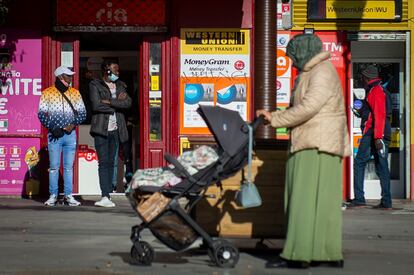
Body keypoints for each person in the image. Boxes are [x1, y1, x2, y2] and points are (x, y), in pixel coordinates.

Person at [256, 34, 350, 268]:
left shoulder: (320, 72)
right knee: (323, 202)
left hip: (313, 143)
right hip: (322, 142)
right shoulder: (318, 71)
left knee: (302, 199)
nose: (292, 61)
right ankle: (325, 252)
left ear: (304, 51)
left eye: (293, 55)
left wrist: (274, 119)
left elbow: (308, 107)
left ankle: (298, 255)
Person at [38, 66, 87, 206]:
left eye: (71, 76)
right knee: (54, 167)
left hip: (70, 135)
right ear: (60, 77)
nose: (71, 78)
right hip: (54, 136)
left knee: (68, 167)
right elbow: (41, 114)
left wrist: (72, 125)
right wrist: (52, 128)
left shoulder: (75, 93)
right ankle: (53, 195)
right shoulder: (47, 93)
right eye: (68, 76)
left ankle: (68, 195)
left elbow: (83, 113)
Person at [349, 65, 392, 210]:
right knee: (381, 165)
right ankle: (386, 201)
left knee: (361, 162)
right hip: (376, 133)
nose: (361, 79)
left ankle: (360, 199)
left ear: (367, 77)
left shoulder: (376, 91)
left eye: (363, 76)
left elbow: (379, 115)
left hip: (374, 134)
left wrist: (377, 137)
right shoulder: (377, 90)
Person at [89, 60, 131, 207]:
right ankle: (105, 196)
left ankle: (108, 194)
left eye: (118, 70)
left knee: (111, 162)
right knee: (104, 163)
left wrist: (109, 102)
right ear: (107, 71)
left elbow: (128, 103)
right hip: (101, 130)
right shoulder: (95, 84)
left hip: (116, 130)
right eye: (115, 70)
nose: (118, 73)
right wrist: (116, 105)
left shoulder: (121, 85)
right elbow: (95, 105)